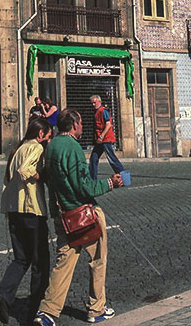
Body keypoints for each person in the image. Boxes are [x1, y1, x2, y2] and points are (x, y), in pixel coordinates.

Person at [33, 109, 124, 326]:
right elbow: (84, 185)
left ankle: (47, 312)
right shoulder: (73, 147)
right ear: (74, 124)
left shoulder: (52, 145)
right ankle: (96, 308)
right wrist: (111, 183)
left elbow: (47, 177)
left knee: (63, 263)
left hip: (62, 215)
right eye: (81, 122)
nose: (83, 127)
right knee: (98, 260)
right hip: (83, 214)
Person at [0, 117, 53, 325]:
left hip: (13, 209)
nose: (48, 140)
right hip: (31, 210)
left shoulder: (17, 149)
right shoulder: (35, 147)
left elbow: (8, 178)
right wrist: (38, 175)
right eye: (48, 136)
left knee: (21, 259)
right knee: (40, 263)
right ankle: (36, 311)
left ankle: (3, 294)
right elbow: (24, 171)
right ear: (40, 134)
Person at [88, 95, 126, 181]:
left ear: (99, 101)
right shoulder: (98, 112)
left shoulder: (103, 111)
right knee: (94, 158)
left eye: (95, 102)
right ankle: (92, 179)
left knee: (112, 158)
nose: (93, 104)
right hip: (101, 140)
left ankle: (123, 176)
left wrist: (101, 136)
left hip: (105, 139)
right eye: (92, 103)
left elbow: (108, 124)